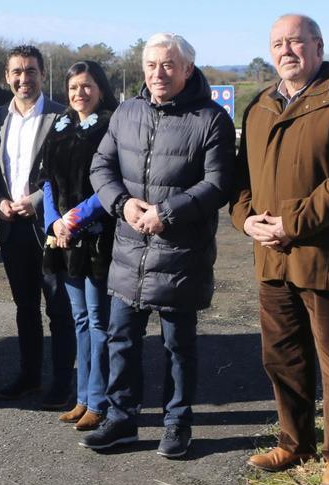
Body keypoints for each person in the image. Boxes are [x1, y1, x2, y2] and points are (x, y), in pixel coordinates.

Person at [232, 14, 329, 485]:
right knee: (281, 358)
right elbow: (242, 183)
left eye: (296, 41)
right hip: (272, 259)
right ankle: (295, 441)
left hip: (327, 257)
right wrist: (246, 219)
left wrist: (290, 223)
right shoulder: (258, 107)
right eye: (278, 43)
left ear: (318, 46)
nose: (286, 50)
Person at [83, 33, 235, 458]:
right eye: (151, 65)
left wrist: (167, 213)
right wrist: (122, 203)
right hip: (129, 249)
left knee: (178, 346)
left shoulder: (212, 119)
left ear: (188, 68)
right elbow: (102, 166)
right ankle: (121, 420)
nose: (158, 73)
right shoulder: (126, 113)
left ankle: (176, 423)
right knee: (121, 341)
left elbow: (219, 183)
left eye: (167, 65)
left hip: (181, 254)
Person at [0, 45, 75, 409]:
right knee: (25, 307)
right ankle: (29, 375)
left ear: (42, 74)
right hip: (12, 228)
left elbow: (65, 174)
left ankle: (62, 383)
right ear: (7, 77)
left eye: (31, 71)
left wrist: (35, 201)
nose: (24, 79)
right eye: (17, 72)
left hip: (49, 228)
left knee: (59, 307)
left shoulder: (61, 116)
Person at [38, 61, 118, 431]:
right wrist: (54, 219)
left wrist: (72, 220)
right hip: (63, 240)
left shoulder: (110, 126)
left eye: (86, 86)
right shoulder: (60, 125)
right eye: (73, 87)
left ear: (100, 89)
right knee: (79, 319)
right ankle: (82, 397)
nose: (79, 94)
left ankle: (99, 401)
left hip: (96, 238)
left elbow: (110, 184)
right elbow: (48, 180)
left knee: (98, 320)